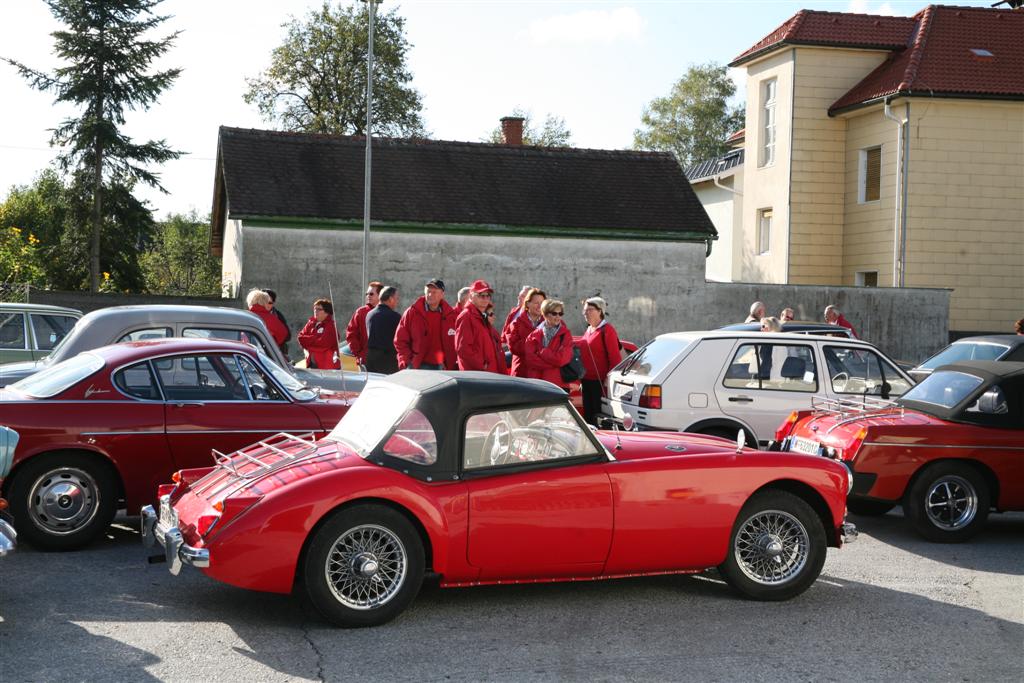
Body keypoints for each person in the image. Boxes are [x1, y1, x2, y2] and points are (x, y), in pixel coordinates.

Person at [394, 278, 457, 370]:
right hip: (417, 366)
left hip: (443, 367)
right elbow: (400, 340)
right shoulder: (412, 313)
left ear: (442, 294)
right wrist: (407, 361)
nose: (430, 295)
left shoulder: (451, 315)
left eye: (434, 292)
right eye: (428, 291)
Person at [579, 297, 622, 425]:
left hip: (599, 383)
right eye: (585, 310)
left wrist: (608, 381)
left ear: (600, 311)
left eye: (590, 310)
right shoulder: (589, 329)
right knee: (588, 416)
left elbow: (615, 358)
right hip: (586, 380)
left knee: (597, 417)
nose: (586, 313)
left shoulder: (607, 330)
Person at [455, 279, 507, 374]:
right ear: (471, 296)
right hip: (478, 375)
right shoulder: (466, 316)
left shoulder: (482, 316)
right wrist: (482, 365)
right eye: (481, 295)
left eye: (488, 296)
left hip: (489, 373)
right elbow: (463, 349)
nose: (485, 299)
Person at [524, 299, 574, 389]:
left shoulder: (565, 334)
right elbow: (531, 361)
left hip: (558, 385)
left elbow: (562, 360)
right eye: (554, 313)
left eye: (560, 314)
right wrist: (553, 364)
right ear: (545, 314)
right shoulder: (533, 336)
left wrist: (544, 353)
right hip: (537, 384)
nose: (558, 317)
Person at [505, 287, 546, 377]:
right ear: (527, 304)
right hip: (522, 372)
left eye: (542, 303)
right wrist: (534, 342)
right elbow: (513, 347)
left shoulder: (549, 322)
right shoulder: (516, 323)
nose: (539, 306)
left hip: (541, 374)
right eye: (536, 303)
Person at [365, 286, 401, 374]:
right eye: (396, 298)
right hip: (388, 361)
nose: (397, 301)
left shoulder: (369, 314)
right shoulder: (395, 317)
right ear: (390, 299)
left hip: (370, 360)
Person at [345, 281, 382, 366]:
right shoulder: (360, 312)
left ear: (380, 295)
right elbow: (351, 334)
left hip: (382, 362)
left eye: (371, 294)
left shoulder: (387, 312)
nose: (368, 296)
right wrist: (359, 354)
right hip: (364, 361)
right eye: (367, 294)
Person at [297, 298, 340, 369]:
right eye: (314, 309)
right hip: (311, 364)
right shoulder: (310, 323)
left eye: (319, 309)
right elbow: (300, 338)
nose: (315, 311)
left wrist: (309, 344)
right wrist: (316, 338)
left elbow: (324, 344)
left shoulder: (331, 326)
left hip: (328, 367)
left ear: (327, 312)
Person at [263, 289, 292, 359]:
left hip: (277, 353)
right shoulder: (254, 314)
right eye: (264, 302)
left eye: (270, 302)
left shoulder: (278, 315)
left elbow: (288, 336)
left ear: (273, 303)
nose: (266, 304)